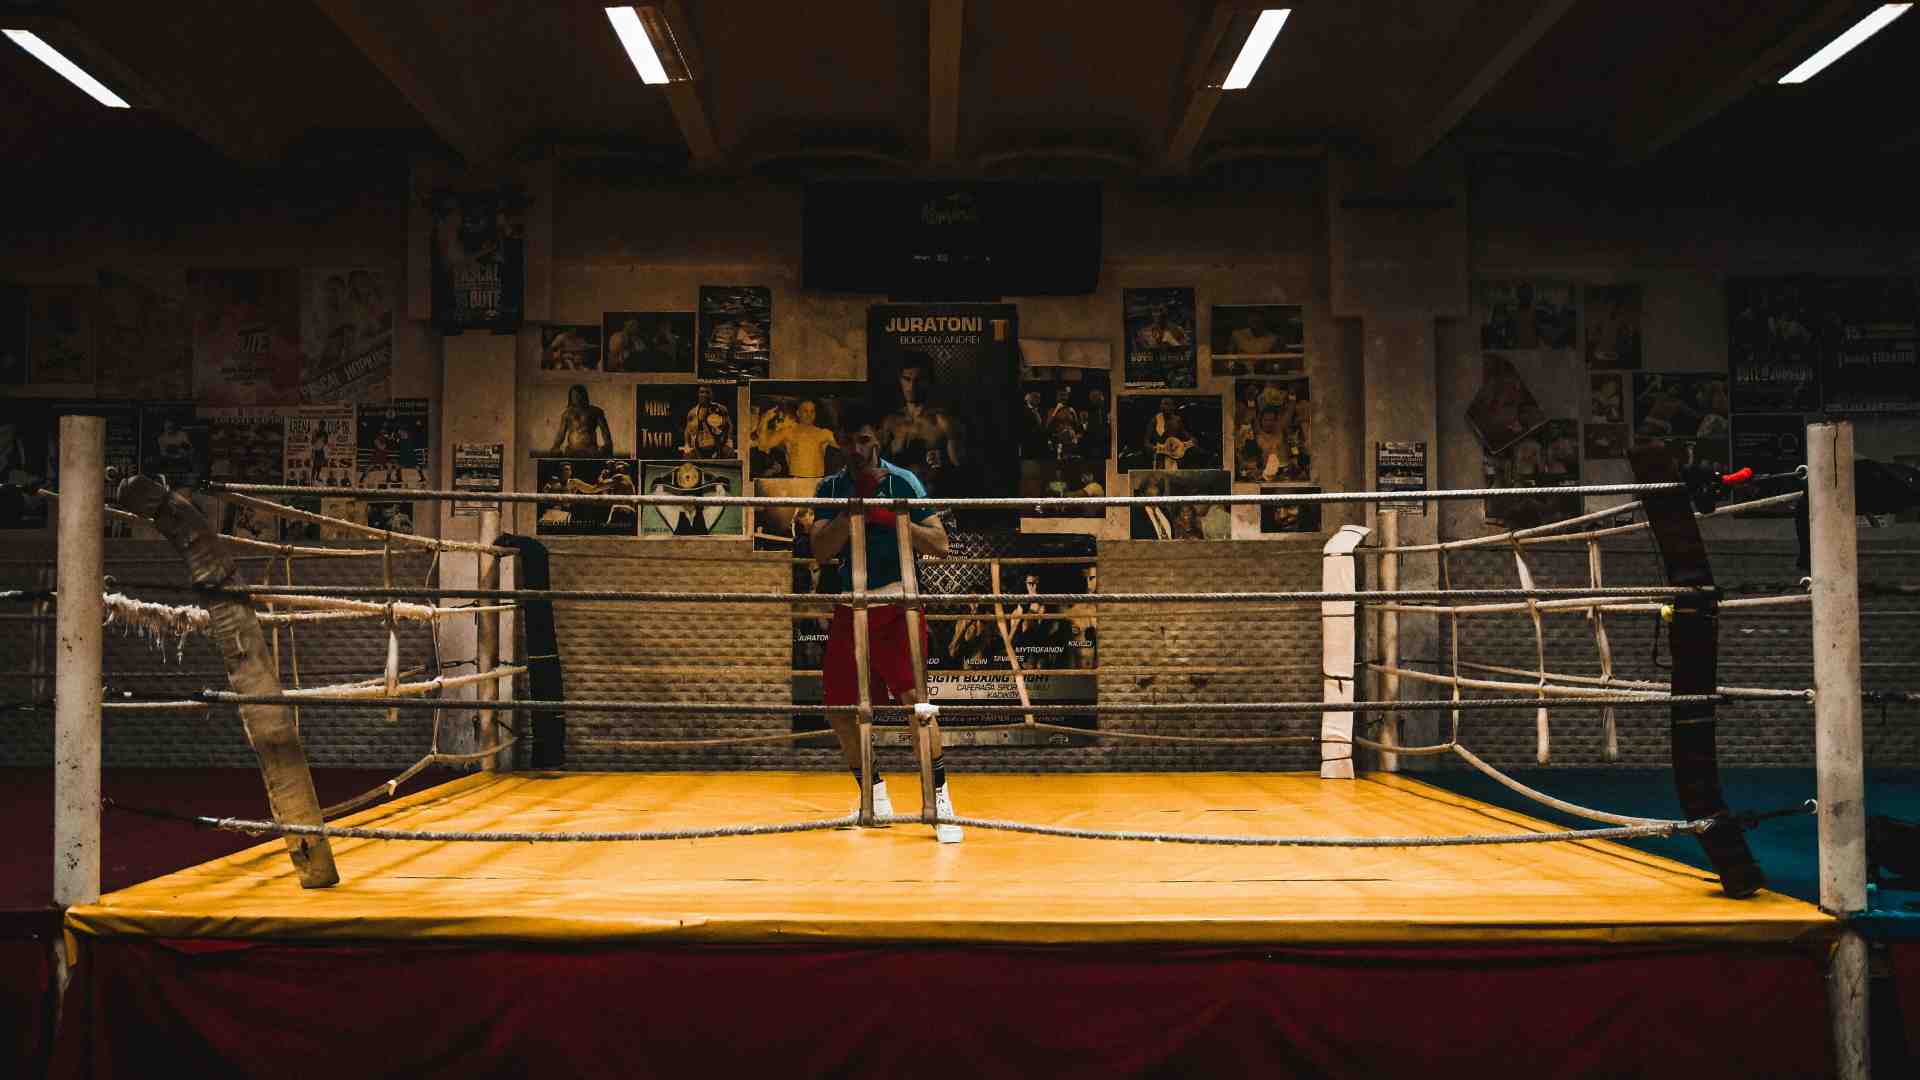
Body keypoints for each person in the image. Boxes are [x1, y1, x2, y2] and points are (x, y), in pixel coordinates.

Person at [809, 400, 961, 842]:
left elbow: (940, 544)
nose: (855, 450)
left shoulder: (904, 480)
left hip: (896, 604)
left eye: (864, 440)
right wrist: (850, 510)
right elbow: (820, 550)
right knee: (840, 709)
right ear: (838, 441)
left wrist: (893, 518)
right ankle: (873, 796)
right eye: (847, 441)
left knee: (917, 705)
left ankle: (941, 804)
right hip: (849, 604)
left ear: (878, 439)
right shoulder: (830, 487)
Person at [879, 354, 962, 495]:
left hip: (934, 504)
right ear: (900, 381)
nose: (912, 386)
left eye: (919, 380)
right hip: (900, 504)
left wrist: (944, 461)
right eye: (907, 379)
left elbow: (962, 468)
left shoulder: (942, 421)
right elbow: (876, 468)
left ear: (929, 381)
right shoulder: (891, 422)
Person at [755, 398, 837, 477]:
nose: (809, 414)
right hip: (795, 482)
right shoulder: (788, 432)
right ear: (798, 413)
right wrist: (764, 420)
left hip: (817, 481)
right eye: (805, 411)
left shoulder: (824, 433)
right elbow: (764, 445)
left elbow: (845, 445)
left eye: (812, 411)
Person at [550, 384, 613, 457]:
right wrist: (556, 446)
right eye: (574, 396)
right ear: (571, 397)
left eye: (579, 395)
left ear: (584, 396)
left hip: (591, 450)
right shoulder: (567, 414)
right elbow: (561, 434)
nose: (577, 398)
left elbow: (605, 431)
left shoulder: (595, 411)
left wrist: (608, 445)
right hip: (572, 450)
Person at [683, 385, 733, 459]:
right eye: (702, 392)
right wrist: (687, 445)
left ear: (712, 394)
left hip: (717, 449)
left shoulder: (720, 409)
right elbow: (687, 430)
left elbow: (729, 426)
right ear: (698, 394)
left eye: (707, 392)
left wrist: (729, 443)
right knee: (687, 459)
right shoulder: (692, 412)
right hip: (699, 450)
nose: (704, 395)